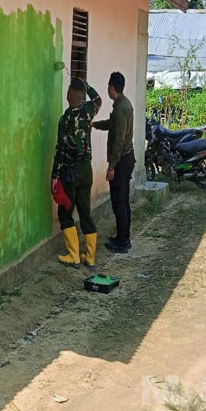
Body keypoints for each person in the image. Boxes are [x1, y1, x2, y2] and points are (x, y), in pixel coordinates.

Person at [51, 78, 102, 268]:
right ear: (81, 97)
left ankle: (73, 255)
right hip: (86, 170)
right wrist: (86, 85)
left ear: (68, 96)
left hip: (70, 172)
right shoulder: (88, 111)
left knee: (65, 212)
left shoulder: (64, 120)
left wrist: (54, 176)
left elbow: (60, 150)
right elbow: (98, 99)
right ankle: (90, 256)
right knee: (85, 211)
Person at [92, 72, 135, 253]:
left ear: (111, 87)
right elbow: (112, 124)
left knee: (119, 202)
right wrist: (95, 125)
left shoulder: (121, 108)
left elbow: (119, 140)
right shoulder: (122, 105)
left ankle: (123, 241)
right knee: (122, 200)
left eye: (108, 86)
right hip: (125, 158)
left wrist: (112, 166)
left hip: (122, 160)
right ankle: (122, 236)